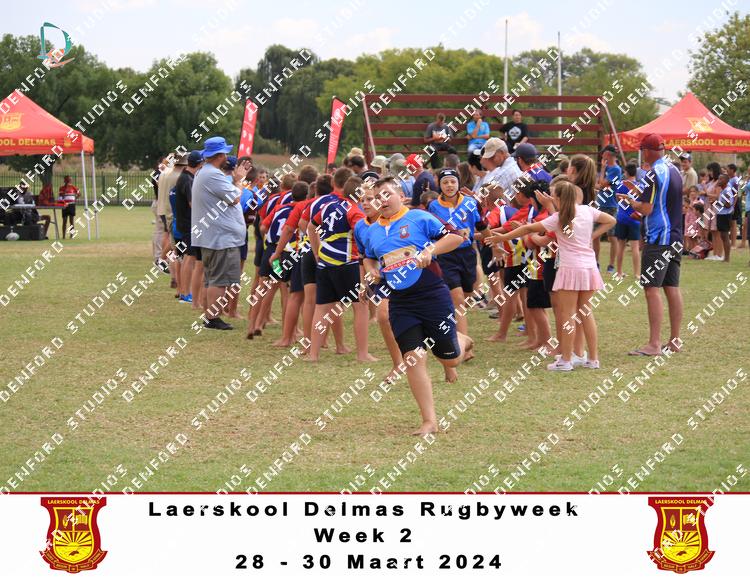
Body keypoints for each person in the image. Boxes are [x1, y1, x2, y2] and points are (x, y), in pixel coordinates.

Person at [363, 176, 473, 435]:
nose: (382, 200)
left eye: (387, 194)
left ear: (402, 196)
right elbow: (368, 257)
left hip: (432, 296)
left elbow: (456, 237)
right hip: (400, 302)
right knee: (412, 358)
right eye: (377, 197)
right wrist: (371, 271)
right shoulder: (372, 231)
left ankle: (463, 340)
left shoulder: (419, 218)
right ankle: (429, 420)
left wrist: (430, 250)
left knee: (450, 359)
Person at [490, 181, 616, 371]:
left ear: (558, 198)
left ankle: (566, 360)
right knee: (586, 313)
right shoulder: (587, 211)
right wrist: (592, 236)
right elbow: (611, 220)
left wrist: (502, 237)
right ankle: (592, 359)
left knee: (567, 315)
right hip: (589, 267)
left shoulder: (557, 218)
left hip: (570, 268)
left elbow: (527, 230)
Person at [620, 134, 684, 356]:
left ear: (646, 151)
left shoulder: (653, 174)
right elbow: (662, 201)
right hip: (675, 236)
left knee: (651, 289)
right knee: (672, 288)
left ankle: (654, 344)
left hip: (658, 238)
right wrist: (640, 192)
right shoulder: (674, 170)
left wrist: (632, 201)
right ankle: (674, 340)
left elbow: (646, 209)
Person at [306, 174, 376, 363]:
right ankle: (363, 354)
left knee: (321, 309)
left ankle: (313, 354)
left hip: (324, 265)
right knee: (361, 306)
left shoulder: (329, 206)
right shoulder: (355, 212)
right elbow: (364, 238)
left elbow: (311, 227)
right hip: (348, 264)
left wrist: (316, 252)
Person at [191, 136, 251, 330]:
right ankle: (213, 317)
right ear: (219, 155)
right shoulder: (213, 175)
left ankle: (210, 315)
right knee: (220, 280)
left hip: (213, 237)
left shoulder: (205, 172)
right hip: (220, 238)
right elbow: (235, 198)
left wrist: (234, 180)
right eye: (225, 153)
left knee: (211, 279)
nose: (227, 156)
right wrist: (239, 181)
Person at [427, 168, 489, 338]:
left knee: (466, 297)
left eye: (453, 181)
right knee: (458, 299)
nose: (449, 185)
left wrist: (494, 244)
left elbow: (482, 225)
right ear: (439, 185)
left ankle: (449, 322)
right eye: (445, 182)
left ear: (458, 183)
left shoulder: (470, 203)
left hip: (467, 254)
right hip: (445, 255)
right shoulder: (433, 206)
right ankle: (463, 343)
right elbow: (429, 230)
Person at [353, 184, 403, 382]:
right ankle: (398, 364)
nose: (366, 204)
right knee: (384, 316)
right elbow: (364, 258)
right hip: (385, 279)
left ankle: (451, 361)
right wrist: (364, 282)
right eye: (362, 200)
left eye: (370, 199)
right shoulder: (361, 227)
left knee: (429, 326)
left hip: (414, 278)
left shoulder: (404, 219)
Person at [264, 181, 309, 346]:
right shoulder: (307, 206)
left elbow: (263, 226)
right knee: (293, 294)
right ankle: (295, 332)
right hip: (293, 253)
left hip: (275, 251)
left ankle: (261, 323)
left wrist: (273, 250)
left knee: (272, 287)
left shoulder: (278, 206)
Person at [173, 150, 204, 304]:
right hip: (188, 223)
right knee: (189, 257)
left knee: (187, 256)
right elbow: (193, 204)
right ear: (199, 164)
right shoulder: (188, 180)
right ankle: (185, 293)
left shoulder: (185, 176)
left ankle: (184, 292)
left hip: (184, 223)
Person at [595, 145, 622, 274]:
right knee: (596, 235)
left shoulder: (616, 169)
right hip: (600, 204)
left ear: (609, 154)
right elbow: (598, 185)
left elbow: (601, 184)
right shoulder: (607, 168)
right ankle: (596, 263)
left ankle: (611, 265)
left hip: (611, 205)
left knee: (612, 236)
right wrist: (600, 183)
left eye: (604, 153)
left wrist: (602, 169)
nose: (602, 155)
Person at [613, 163, 642, 278]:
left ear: (625, 172)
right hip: (634, 219)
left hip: (621, 218)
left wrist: (624, 199)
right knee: (635, 247)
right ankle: (637, 274)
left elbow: (617, 198)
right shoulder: (639, 186)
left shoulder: (621, 185)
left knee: (621, 246)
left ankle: (619, 272)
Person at [713, 173, 734, 263]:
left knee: (725, 236)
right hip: (721, 214)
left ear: (726, 181)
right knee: (723, 236)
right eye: (718, 179)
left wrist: (717, 203)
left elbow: (728, 204)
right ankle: (725, 257)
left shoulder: (727, 191)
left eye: (721, 179)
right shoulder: (723, 190)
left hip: (725, 215)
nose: (719, 181)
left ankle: (727, 258)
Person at [727, 163, 741, 249]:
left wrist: (733, 206)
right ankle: (731, 242)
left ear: (732, 170)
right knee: (730, 223)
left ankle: (733, 244)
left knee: (733, 223)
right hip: (729, 202)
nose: (727, 170)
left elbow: (735, 194)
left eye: (728, 169)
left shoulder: (735, 180)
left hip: (734, 202)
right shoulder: (730, 179)